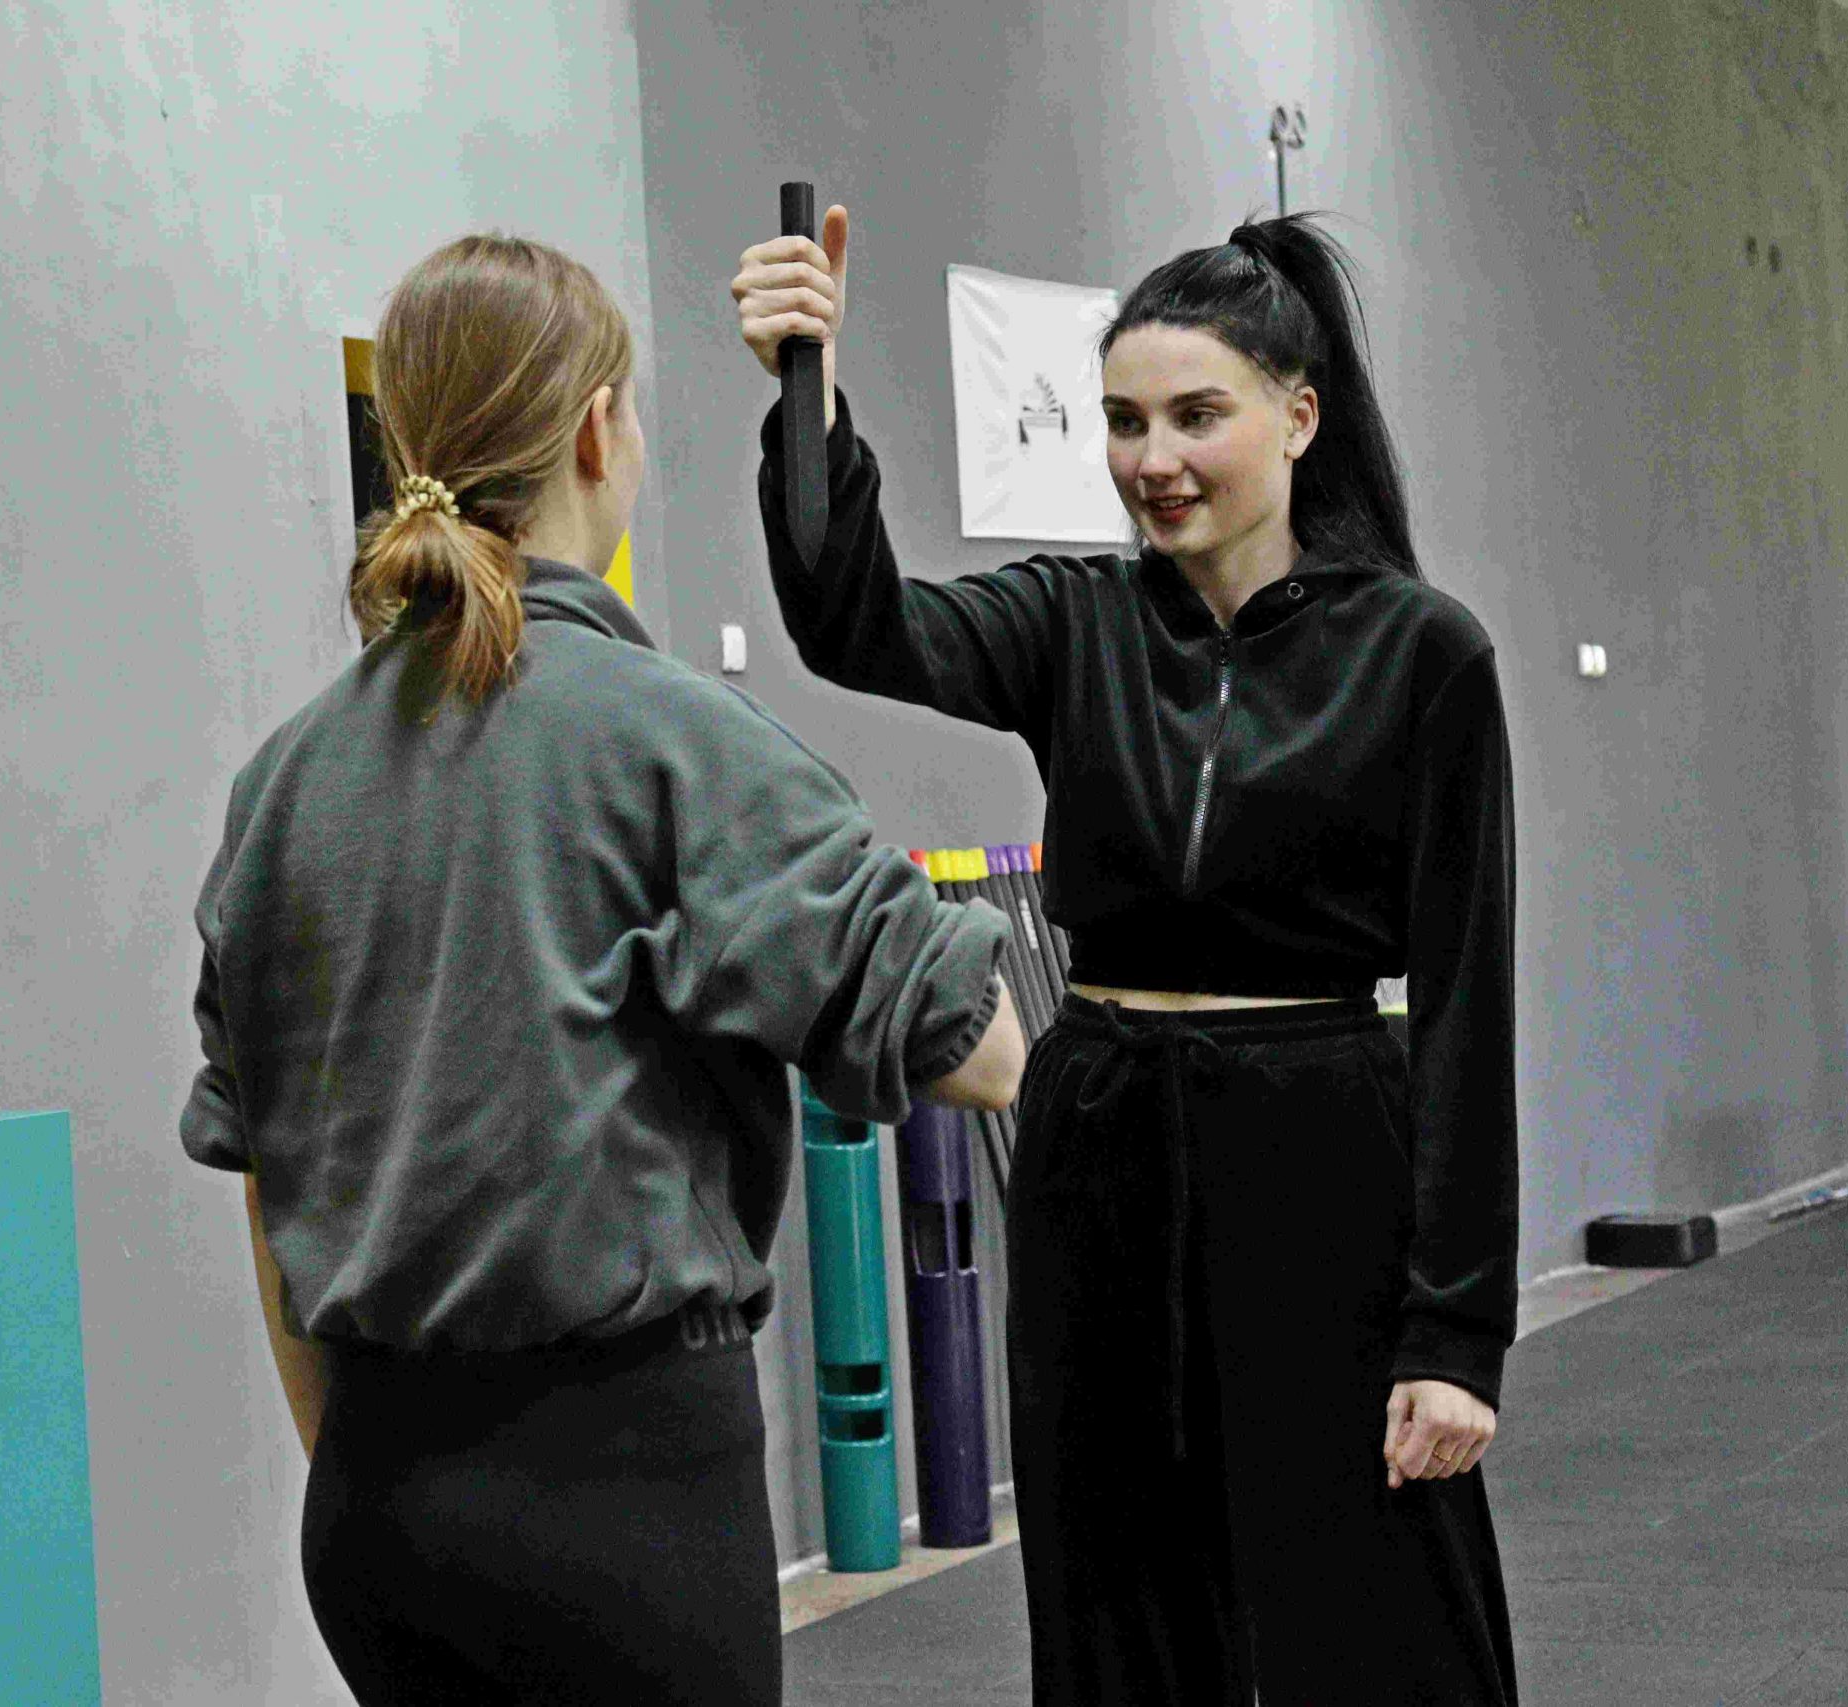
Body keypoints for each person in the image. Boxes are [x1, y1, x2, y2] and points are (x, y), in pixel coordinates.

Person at [179, 231, 1027, 1707]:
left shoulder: (281, 784)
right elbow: (978, 1045)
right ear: (598, 428)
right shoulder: (669, 739)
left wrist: (379, 1472)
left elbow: (268, 1184)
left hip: (375, 1512)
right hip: (623, 1515)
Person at [732, 205, 1521, 1703]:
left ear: (1299, 419)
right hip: (1100, 1143)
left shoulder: (1424, 653)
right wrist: (805, 388)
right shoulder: (1073, 619)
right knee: (1115, 1602)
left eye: (1195, 416)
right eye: (1122, 421)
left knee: (1372, 1596)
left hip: (1317, 1145)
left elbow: (1469, 1006)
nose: (1153, 458)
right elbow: (853, 624)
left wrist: (1456, 1332)